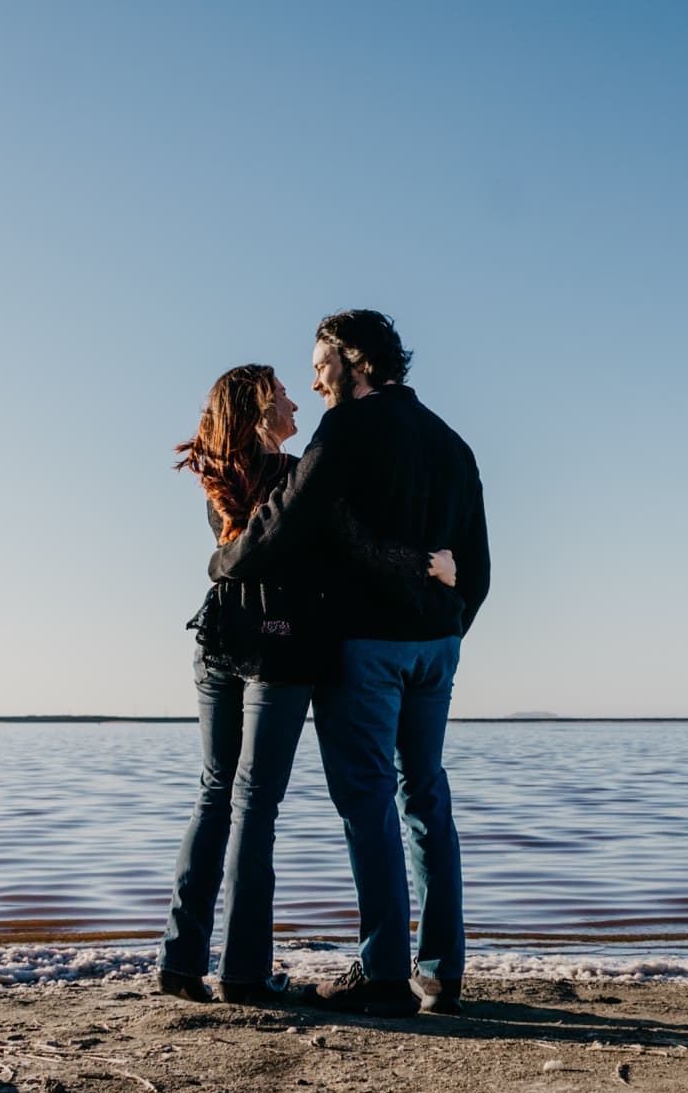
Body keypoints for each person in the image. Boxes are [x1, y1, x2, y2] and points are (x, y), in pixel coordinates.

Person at [210, 311, 490, 1017]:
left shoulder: (345, 429)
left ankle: (385, 975)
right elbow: (479, 567)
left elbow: (284, 520)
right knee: (425, 795)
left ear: (356, 360)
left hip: (367, 644)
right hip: (437, 646)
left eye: (320, 366)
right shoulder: (452, 443)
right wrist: (448, 629)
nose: (314, 381)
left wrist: (224, 561)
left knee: (368, 803)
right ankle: (443, 973)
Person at [157, 364, 455, 1005]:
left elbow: (246, 551)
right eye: (284, 395)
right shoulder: (297, 477)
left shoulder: (220, 475)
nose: (297, 402)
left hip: (217, 642)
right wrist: (426, 563)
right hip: (280, 648)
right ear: (261, 410)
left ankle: (180, 961)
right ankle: (243, 974)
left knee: (215, 794)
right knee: (254, 803)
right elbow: (358, 546)